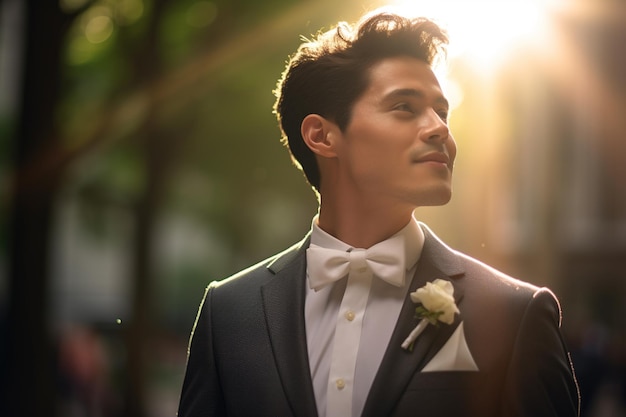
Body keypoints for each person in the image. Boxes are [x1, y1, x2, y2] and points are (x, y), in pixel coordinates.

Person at [178, 7, 580, 417]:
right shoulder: (227, 314)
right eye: (404, 106)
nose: (439, 127)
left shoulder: (514, 315)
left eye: (442, 111)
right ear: (322, 136)